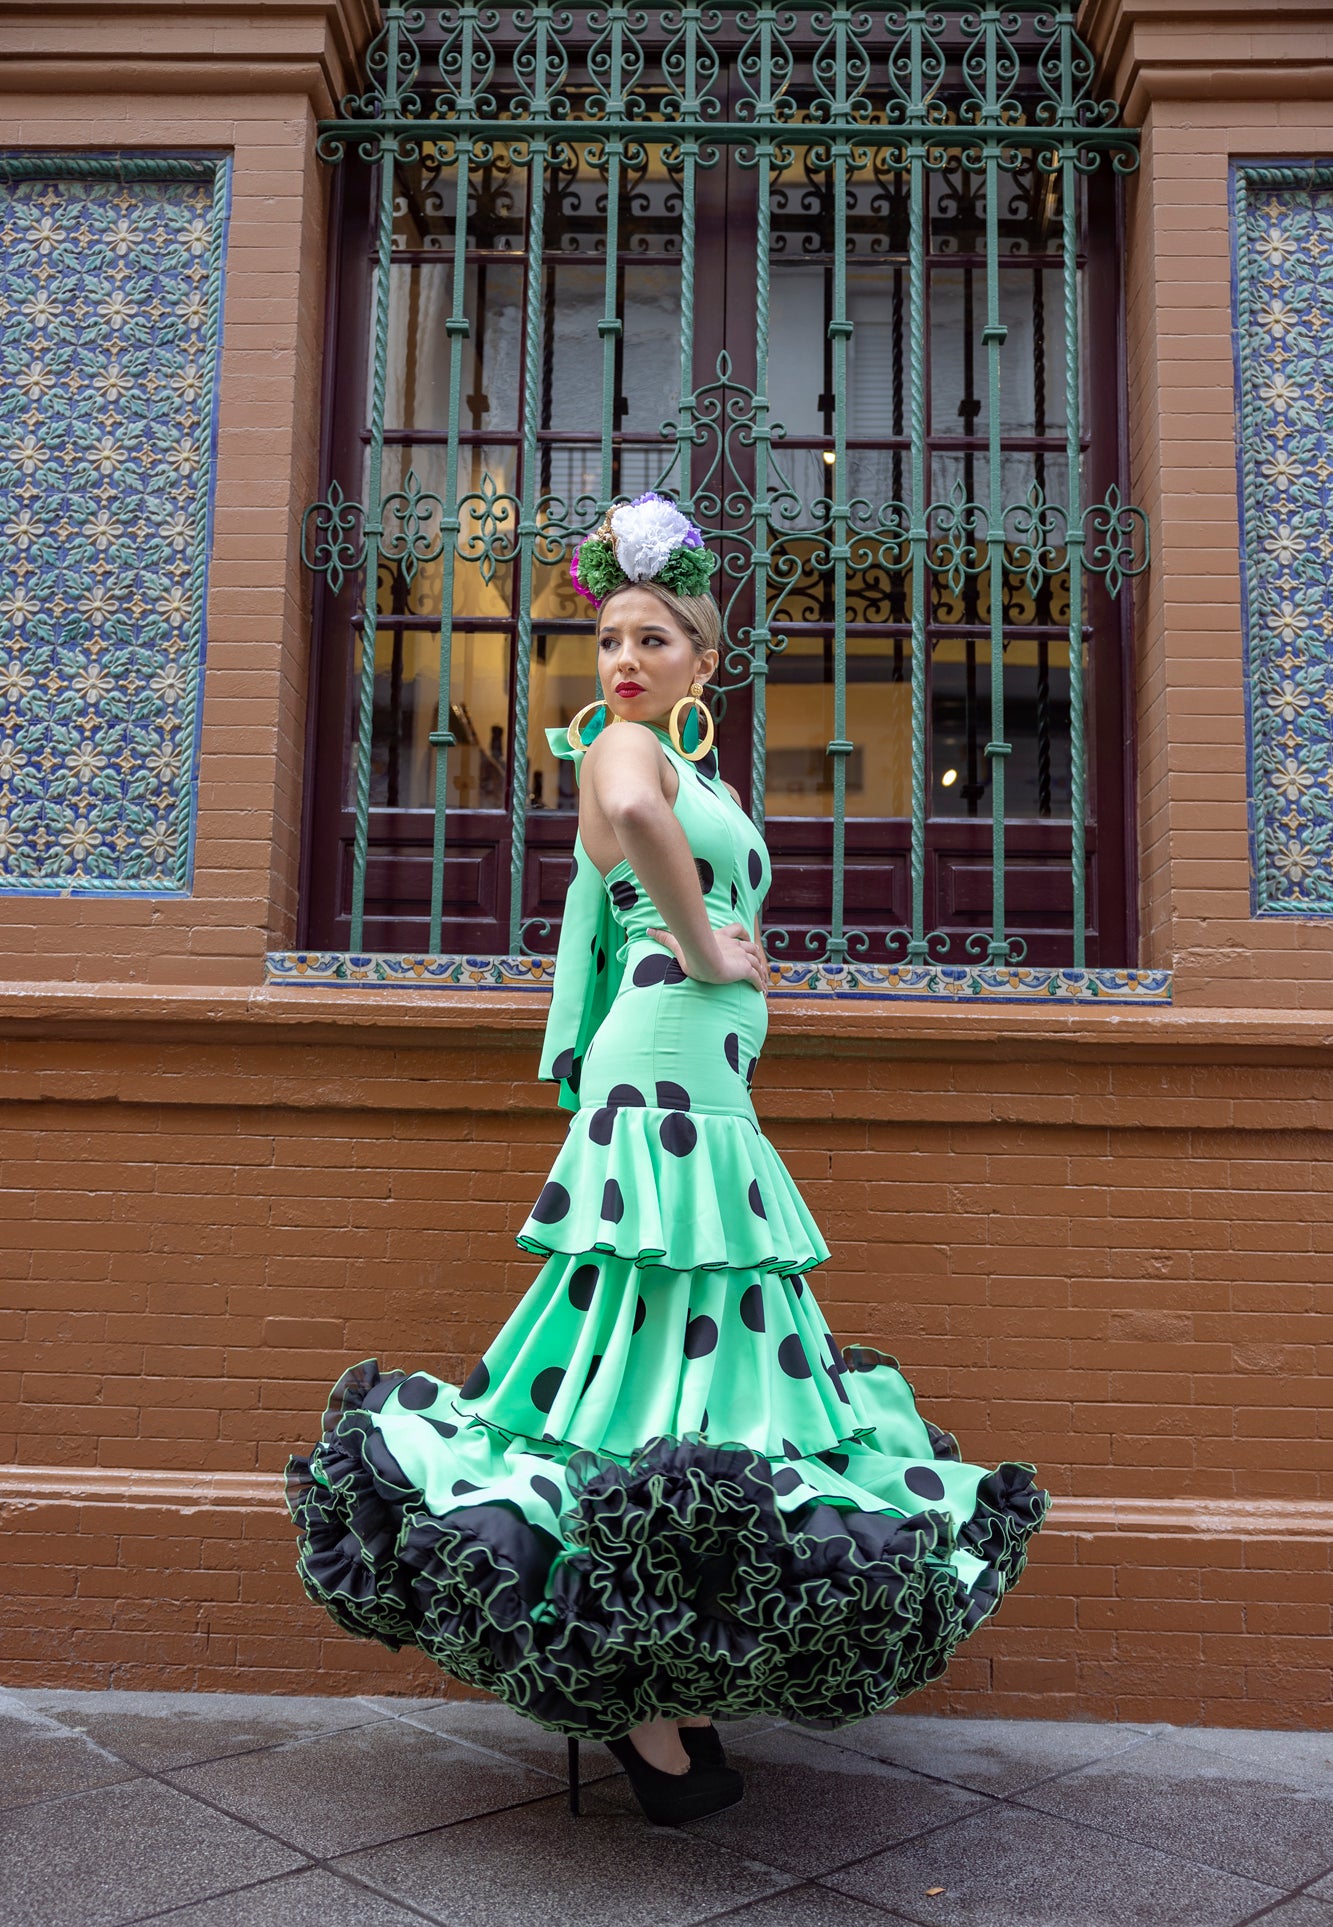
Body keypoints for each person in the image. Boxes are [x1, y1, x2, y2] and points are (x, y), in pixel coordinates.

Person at [286, 493, 1049, 1829]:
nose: (622, 661)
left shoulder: (702, 772)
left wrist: (733, 959)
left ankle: (655, 1658)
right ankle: (634, 1690)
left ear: (705, 655)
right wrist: (706, 953)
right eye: (608, 641)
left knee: (689, 1337)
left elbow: (690, 855)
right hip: (665, 1078)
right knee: (664, 1316)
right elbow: (635, 828)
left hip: (702, 1078)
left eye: (650, 639)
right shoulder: (622, 750)